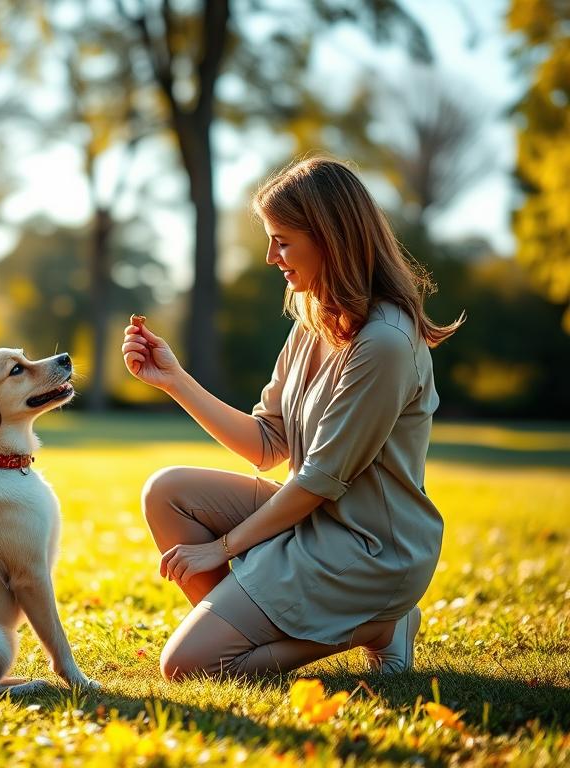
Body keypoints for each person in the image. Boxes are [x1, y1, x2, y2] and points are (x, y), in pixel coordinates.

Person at [121, 157, 464, 681]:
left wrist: (221, 548)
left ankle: (379, 624)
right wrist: (174, 380)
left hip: (369, 549)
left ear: (330, 239)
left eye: (282, 241)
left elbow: (317, 482)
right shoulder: (314, 316)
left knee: (188, 666)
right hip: (312, 522)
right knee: (167, 492)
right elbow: (267, 444)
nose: (270, 257)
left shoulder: (385, 343)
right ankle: (246, 621)